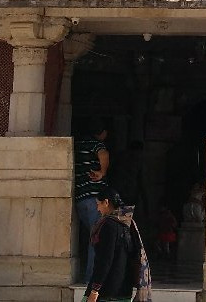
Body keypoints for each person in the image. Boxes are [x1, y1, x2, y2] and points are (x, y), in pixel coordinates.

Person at [85, 188, 150, 302]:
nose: (97, 208)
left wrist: (95, 290)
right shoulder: (127, 223)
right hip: (124, 289)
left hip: (107, 291)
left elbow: (105, 260)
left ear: (106, 202)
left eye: (98, 204)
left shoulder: (108, 225)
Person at [75, 121, 110, 282]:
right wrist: (103, 172)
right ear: (102, 133)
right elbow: (103, 153)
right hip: (94, 199)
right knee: (97, 237)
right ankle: (93, 278)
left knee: (91, 235)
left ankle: (91, 276)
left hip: (80, 198)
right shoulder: (96, 144)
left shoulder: (79, 144)